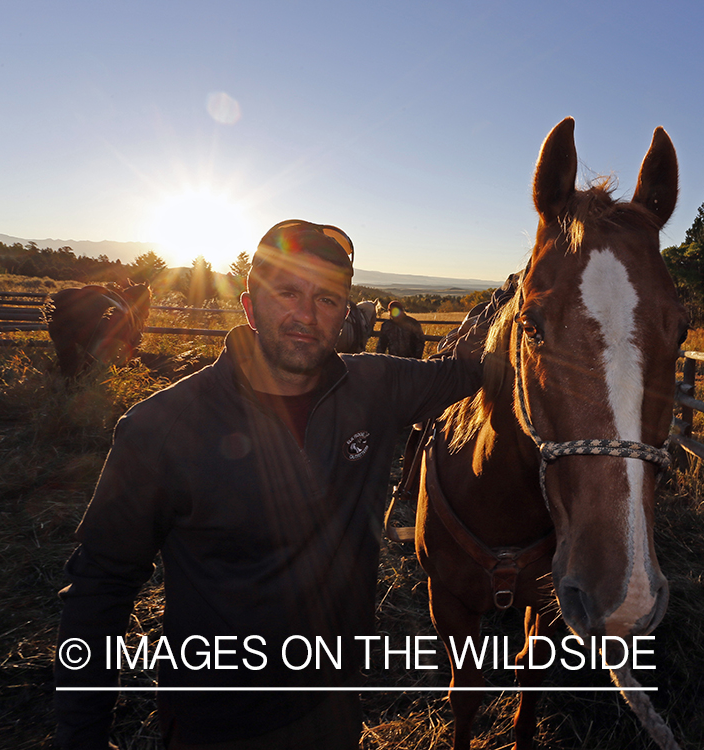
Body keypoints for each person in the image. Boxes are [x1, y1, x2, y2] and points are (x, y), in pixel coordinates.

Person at [53, 220, 486, 749]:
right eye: (287, 293)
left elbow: (471, 371)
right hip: (217, 720)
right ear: (249, 303)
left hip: (335, 704)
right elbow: (102, 587)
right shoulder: (160, 428)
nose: (306, 315)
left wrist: (531, 285)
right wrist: (82, 734)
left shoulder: (374, 388)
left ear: (345, 315)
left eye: (327, 299)